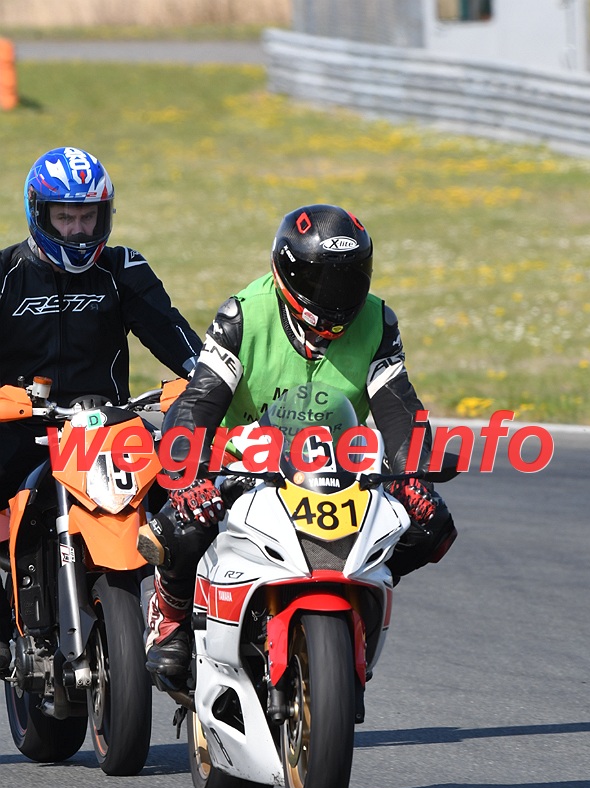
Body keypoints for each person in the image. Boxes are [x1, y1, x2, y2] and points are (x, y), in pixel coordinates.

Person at [140, 203, 458, 689]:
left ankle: (359, 593)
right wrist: (190, 475)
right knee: (183, 522)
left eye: (349, 278)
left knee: (433, 523)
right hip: (244, 462)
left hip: (336, 466)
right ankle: (171, 611)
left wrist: (413, 475)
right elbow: (198, 401)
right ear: (287, 273)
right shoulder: (243, 316)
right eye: (321, 280)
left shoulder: (377, 321)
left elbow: (399, 410)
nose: (337, 295)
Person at [0, 146, 203, 673]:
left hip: (108, 434)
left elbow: (179, 341)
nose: (76, 230)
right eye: (64, 217)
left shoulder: (122, 269)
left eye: (87, 216)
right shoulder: (5, 274)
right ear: (39, 213)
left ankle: (180, 623)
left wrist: (209, 381)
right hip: (19, 431)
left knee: (196, 496)